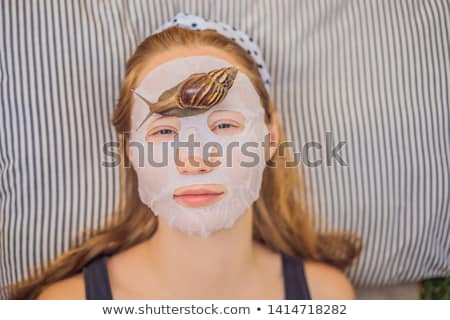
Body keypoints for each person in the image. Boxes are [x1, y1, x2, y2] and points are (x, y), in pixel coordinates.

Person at [8, 16, 361, 300]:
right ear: (131, 150)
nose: (195, 160)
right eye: (164, 132)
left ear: (271, 136)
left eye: (223, 125)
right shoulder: (67, 306)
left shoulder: (325, 297)